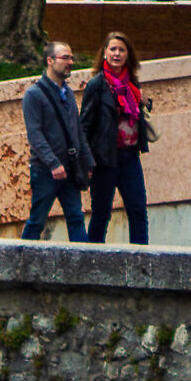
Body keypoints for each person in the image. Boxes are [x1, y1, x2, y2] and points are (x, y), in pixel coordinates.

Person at [81, 31, 150, 245]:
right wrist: (87, 160)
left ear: (128, 55)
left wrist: (143, 100)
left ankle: (140, 259)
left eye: (121, 50)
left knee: (138, 209)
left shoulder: (132, 84)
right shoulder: (97, 85)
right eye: (112, 49)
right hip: (104, 160)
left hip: (129, 157)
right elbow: (84, 125)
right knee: (101, 213)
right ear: (104, 54)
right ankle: (92, 258)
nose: (117, 54)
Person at [20, 40, 92, 241]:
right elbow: (35, 135)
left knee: (76, 218)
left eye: (71, 57)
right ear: (50, 61)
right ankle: (20, 263)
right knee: (37, 221)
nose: (70, 62)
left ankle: (83, 264)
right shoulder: (34, 95)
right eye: (65, 57)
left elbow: (77, 130)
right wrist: (53, 164)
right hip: (45, 171)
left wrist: (87, 162)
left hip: (70, 168)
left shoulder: (67, 92)